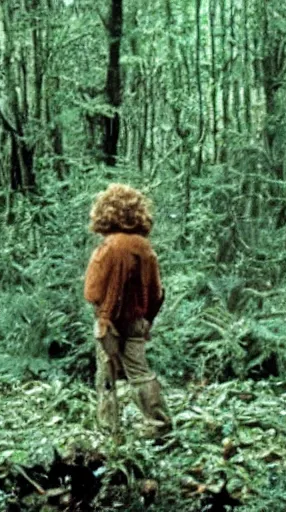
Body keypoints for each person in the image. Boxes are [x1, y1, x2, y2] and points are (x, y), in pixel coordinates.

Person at [84, 183, 170, 440]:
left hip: (108, 322)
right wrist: (147, 321)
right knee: (140, 372)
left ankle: (109, 429)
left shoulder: (109, 246)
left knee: (107, 374)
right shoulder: (145, 247)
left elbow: (93, 290)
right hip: (136, 321)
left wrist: (103, 316)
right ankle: (159, 423)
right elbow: (157, 293)